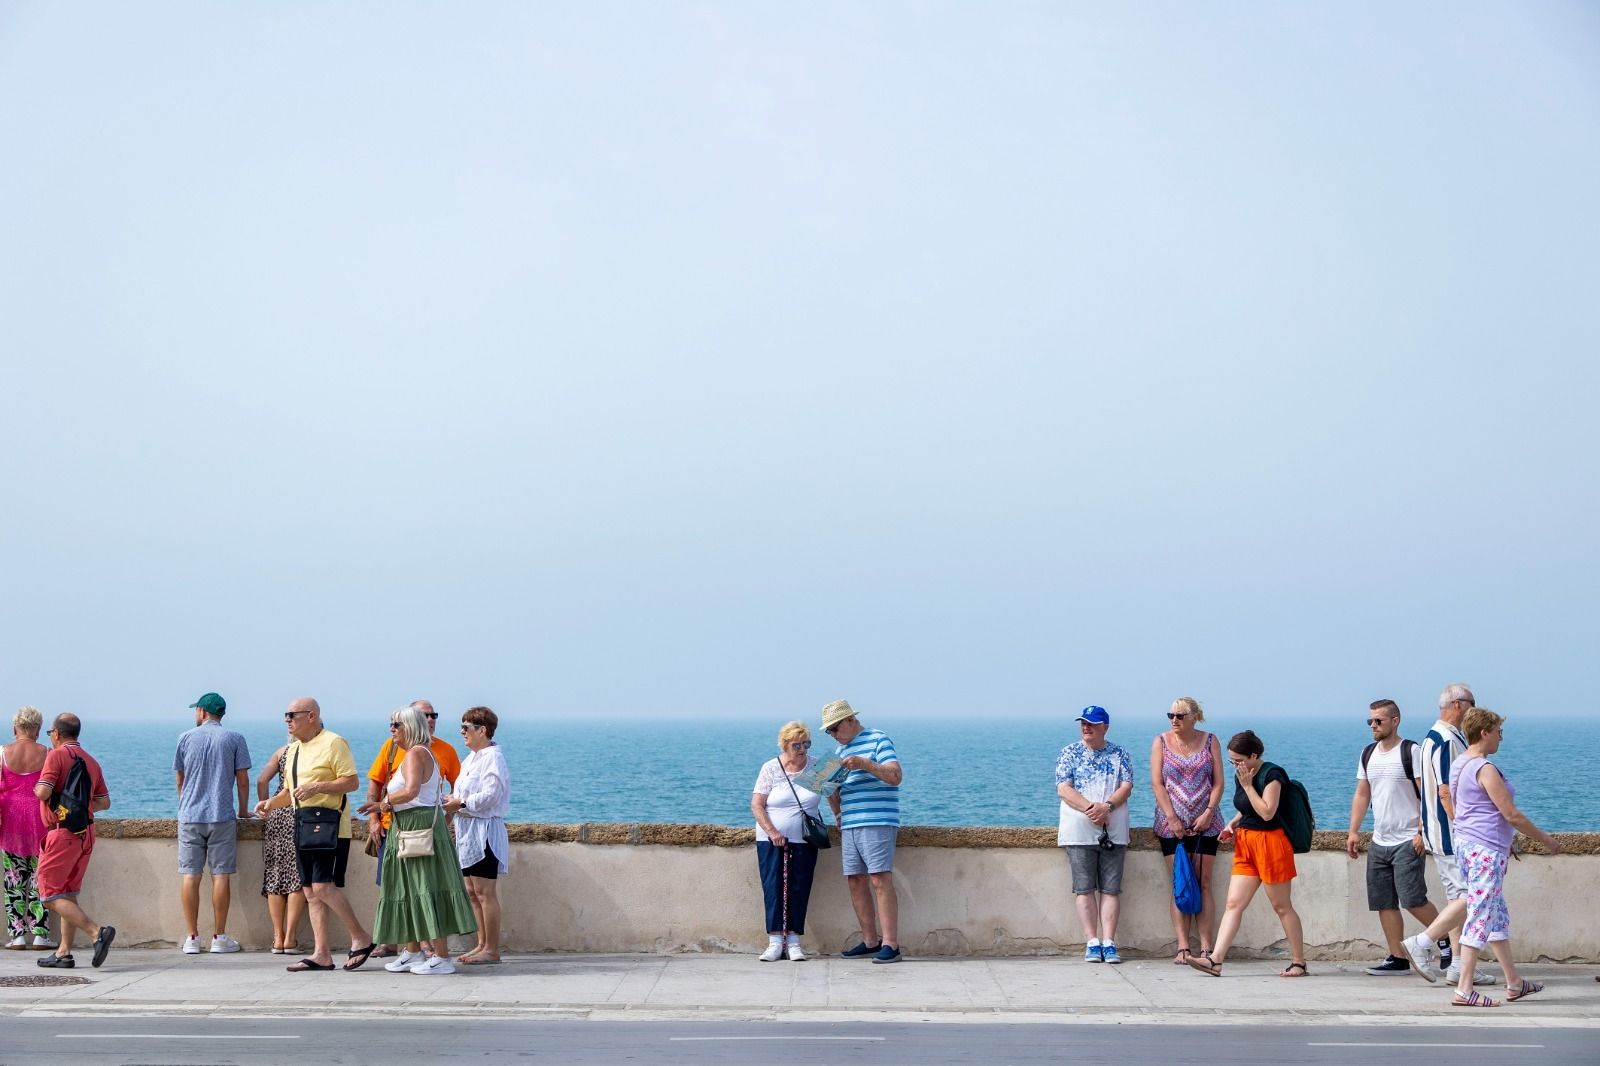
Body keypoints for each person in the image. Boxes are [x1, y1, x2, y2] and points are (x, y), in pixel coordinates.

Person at [1406, 707, 1562, 1007]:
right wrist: (1546, 839)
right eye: (1498, 732)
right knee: (1479, 915)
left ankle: (1514, 983)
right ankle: (1464, 989)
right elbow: (1511, 814)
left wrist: (1501, 840)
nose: (1501, 738)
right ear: (1485, 733)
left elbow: (1464, 807)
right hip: (1485, 851)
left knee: (1496, 915)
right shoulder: (1484, 768)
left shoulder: (1460, 764)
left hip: (1470, 845)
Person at [253, 697, 373, 973]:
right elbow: (290, 793)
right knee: (309, 891)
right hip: (302, 824)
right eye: (285, 715)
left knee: (321, 887)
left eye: (292, 715)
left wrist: (317, 787)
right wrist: (269, 804)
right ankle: (322, 954)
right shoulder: (293, 750)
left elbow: (351, 782)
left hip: (329, 826)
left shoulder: (334, 742)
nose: (287, 720)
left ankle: (361, 937)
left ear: (311, 716)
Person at [361, 705, 476, 975]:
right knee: (410, 888)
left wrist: (383, 803)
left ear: (410, 727)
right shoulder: (421, 752)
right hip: (410, 826)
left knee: (426, 887)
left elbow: (412, 791)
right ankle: (412, 951)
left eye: (396, 724)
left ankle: (442, 958)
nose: (392, 729)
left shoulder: (415, 754)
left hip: (417, 826)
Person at [1187, 730, 1306, 978]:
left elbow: (1267, 812)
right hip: (1246, 843)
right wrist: (1232, 824)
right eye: (1232, 761)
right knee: (1234, 903)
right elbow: (1246, 810)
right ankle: (1215, 960)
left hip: (1271, 843)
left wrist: (1248, 786)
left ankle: (1299, 962)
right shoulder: (1241, 774)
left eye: (1239, 760)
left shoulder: (1272, 775)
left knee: (1281, 906)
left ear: (1254, 755)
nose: (1236, 766)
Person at [1400, 683, 1495, 986]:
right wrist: (1463, 827)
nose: (1475, 709)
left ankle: (1457, 964)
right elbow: (1446, 791)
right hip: (1451, 834)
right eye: (1472, 702)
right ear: (1457, 704)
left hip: (1437, 831)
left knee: (1457, 898)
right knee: (1472, 896)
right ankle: (1423, 942)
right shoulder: (1447, 740)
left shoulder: (1432, 737)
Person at [1345, 699, 1440, 976]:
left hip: (1408, 838)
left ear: (1395, 721)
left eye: (1379, 721)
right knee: (1383, 902)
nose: (1373, 726)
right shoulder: (1368, 753)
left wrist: (1421, 831)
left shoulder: (1411, 751)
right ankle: (1397, 958)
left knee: (1413, 900)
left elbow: (1427, 795)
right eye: (1370, 721)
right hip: (1379, 840)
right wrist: (1353, 831)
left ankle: (1446, 937)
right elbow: (1362, 793)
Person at [823, 699, 903, 964]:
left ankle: (891, 943)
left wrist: (864, 764)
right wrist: (836, 812)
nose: (833, 734)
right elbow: (831, 790)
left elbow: (895, 776)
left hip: (877, 819)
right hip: (850, 823)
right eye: (829, 731)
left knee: (879, 878)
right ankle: (870, 941)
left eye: (834, 728)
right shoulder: (839, 751)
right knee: (855, 881)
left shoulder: (879, 739)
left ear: (850, 720)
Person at [33, 713, 115, 969]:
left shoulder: (55, 756)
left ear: (57, 733)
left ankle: (96, 932)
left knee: (49, 895)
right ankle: (63, 953)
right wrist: (79, 807)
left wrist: (36, 789)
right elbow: (104, 802)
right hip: (86, 833)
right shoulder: (91, 761)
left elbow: (43, 791)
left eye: (50, 733)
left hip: (63, 832)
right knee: (66, 892)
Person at [173, 691, 252, 954]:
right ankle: (219, 937)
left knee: (190, 875)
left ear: (203, 712)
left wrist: (185, 804)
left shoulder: (185, 738)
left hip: (190, 817)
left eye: (196, 710)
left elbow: (180, 778)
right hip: (221, 816)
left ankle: (192, 938)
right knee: (221, 875)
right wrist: (243, 810)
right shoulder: (235, 739)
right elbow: (242, 780)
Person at [1057, 706, 1134, 964]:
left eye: (1092, 723)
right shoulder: (1069, 752)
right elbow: (1063, 788)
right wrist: (1092, 809)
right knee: (1084, 888)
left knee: (1111, 889)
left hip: (1113, 831)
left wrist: (1107, 807)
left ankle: (1109, 942)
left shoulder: (1120, 754)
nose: (1086, 727)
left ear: (1105, 727)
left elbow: (1126, 786)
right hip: (1079, 832)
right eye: (1083, 723)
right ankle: (1091, 941)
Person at [1150, 697, 1223, 965]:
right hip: (1171, 826)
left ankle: (1206, 947)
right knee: (1180, 882)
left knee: (1204, 882)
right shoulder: (1160, 742)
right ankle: (1182, 946)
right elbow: (1157, 783)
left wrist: (1209, 812)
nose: (1174, 720)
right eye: (1171, 715)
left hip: (1206, 824)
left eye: (1180, 715)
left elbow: (1218, 782)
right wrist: (1171, 817)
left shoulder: (1210, 740)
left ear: (1194, 717)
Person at [442, 706, 510, 965]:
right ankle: (481, 943)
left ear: (482, 730)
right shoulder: (470, 759)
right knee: (472, 891)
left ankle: (492, 949)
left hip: (484, 832)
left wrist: (460, 803)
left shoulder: (493, 758)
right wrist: (452, 801)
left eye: (466, 727)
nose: (462, 732)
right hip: (467, 832)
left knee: (485, 892)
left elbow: (492, 794)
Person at [750, 721, 823, 962]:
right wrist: (772, 831)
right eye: (796, 745)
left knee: (799, 888)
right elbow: (757, 805)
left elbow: (833, 796)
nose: (802, 749)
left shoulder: (817, 767)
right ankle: (774, 942)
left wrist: (840, 816)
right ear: (785, 745)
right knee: (773, 888)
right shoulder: (771, 768)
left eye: (806, 744)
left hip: (805, 839)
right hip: (772, 840)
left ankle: (793, 942)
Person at [1, 707, 54, 950]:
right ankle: (40, 935)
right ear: (38, 730)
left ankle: (17, 936)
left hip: (10, 824)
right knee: (40, 879)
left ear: (15, 728)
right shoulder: (48, 754)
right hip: (41, 822)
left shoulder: (2, 753)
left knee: (13, 880)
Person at [256, 741, 307, 953]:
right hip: (299, 812)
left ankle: (278, 938)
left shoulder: (281, 752)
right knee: (297, 875)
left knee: (275, 875)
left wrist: (266, 806)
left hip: (276, 813)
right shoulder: (313, 752)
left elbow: (261, 780)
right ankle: (290, 939)